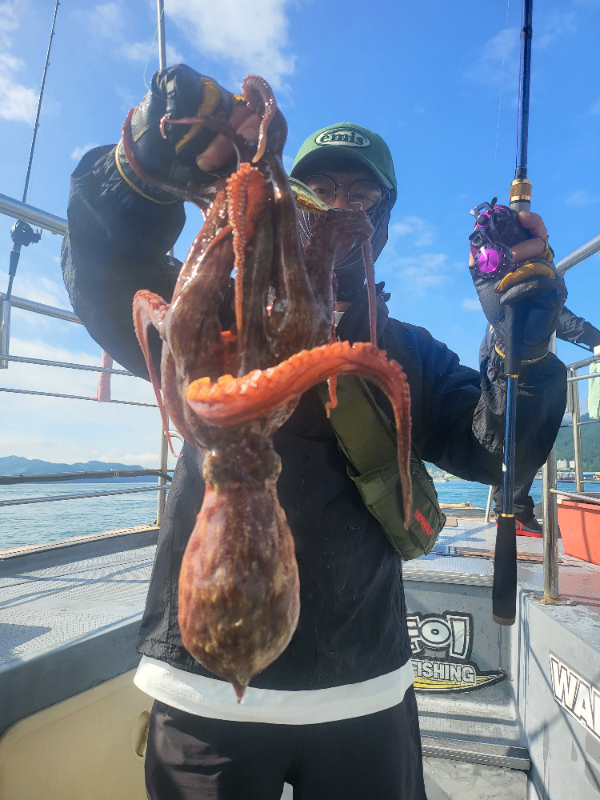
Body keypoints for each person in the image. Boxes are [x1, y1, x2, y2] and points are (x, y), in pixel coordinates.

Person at [62, 65, 567, 800]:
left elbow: (498, 452)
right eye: (319, 187)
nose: (337, 205)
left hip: (363, 685)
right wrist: (136, 173)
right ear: (287, 199)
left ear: (382, 223)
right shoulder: (213, 318)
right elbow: (107, 275)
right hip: (202, 689)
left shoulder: (406, 350)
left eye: (360, 195)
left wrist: (524, 344)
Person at [481, 309, 600, 536]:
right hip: (522, 381)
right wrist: (596, 339)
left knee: (505, 446)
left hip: (496, 380)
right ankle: (516, 515)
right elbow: (563, 320)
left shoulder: (496, 308)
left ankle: (506, 513)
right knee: (525, 444)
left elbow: (485, 351)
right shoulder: (532, 295)